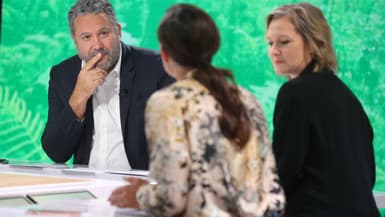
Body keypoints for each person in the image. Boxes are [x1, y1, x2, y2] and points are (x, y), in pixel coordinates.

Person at [108, 3, 285, 217]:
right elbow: (272, 188)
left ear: (164, 54)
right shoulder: (247, 99)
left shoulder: (167, 102)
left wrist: (139, 195)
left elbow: (170, 200)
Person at [266, 2, 380, 217]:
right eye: (270, 43)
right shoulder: (346, 95)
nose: (274, 51)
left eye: (284, 42)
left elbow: (283, 174)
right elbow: (366, 174)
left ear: (313, 43)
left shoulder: (294, 93)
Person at [41, 0, 174, 170]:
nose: (97, 46)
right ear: (75, 40)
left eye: (103, 33)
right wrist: (79, 96)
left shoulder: (157, 67)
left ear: (117, 31)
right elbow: (56, 152)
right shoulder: (62, 75)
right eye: (86, 37)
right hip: (85, 185)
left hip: (140, 185)